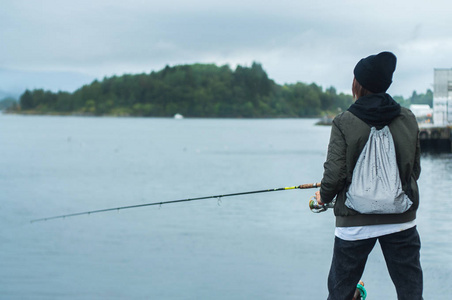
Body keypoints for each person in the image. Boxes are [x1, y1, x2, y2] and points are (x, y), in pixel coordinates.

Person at [315, 51, 423, 300]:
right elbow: (413, 169)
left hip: (355, 222)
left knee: (340, 292)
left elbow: (335, 175)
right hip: (401, 217)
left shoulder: (344, 121)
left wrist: (323, 196)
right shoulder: (407, 118)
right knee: (410, 292)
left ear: (358, 84)